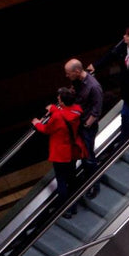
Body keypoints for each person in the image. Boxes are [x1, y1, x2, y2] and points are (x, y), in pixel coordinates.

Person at [32, 87, 87, 219]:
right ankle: (74, 205)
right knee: (72, 178)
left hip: (60, 154)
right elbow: (65, 115)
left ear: (62, 102)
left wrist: (37, 123)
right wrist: (54, 109)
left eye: (59, 99)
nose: (57, 100)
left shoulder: (57, 116)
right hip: (72, 151)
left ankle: (66, 209)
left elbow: (46, 129)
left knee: (61, 181)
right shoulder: (77, 110)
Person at [64, 58, 103, 198]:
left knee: (88, 156)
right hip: (77, 123)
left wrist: (86, 125)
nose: (67, 76)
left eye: (68, 73)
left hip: (87, 127)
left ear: (77, 71)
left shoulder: (93, 87)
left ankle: (94, 184)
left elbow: (96, 111)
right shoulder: (77, 82)